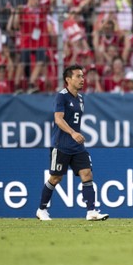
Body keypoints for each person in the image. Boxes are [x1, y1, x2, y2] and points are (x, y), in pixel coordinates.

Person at [35, 64, 109, 221]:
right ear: (68, 79)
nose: (82, 79)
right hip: (61, 145)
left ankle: (91, 211)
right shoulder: (61, 96)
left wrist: (76, 135)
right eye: (78, 76)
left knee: (87, 173)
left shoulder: (81, 98)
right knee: (55, 178)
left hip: (77, 146)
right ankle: (41, 210)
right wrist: (73, 133)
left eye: (82, 76)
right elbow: (58, 119)